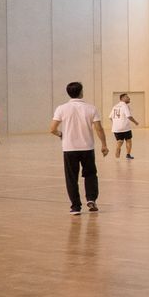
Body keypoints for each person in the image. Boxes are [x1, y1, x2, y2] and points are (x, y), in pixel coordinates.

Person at [50, 81, 109, 214]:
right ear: (81, 92)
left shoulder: (61, 108)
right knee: (90, 174)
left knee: (71, 178)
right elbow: (99, 128)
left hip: (69, 148)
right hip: (87, 147)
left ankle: (75, 207)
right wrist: (104, 145)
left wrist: (61, 134)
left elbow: (52, 129)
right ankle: (91, 199)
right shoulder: (91, 108)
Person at [109, 93, 139, 159]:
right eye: (127, 97)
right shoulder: (124, 105)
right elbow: (129, 116)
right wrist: (135, 122)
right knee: (128, 140)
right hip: (125, 127)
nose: (129, 98)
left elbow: (110, 117)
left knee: (119, 141)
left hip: (115, 128)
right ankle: (128, 155)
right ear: (122, 98)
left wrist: (116, 123)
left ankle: (118, 148)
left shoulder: (115, 106)